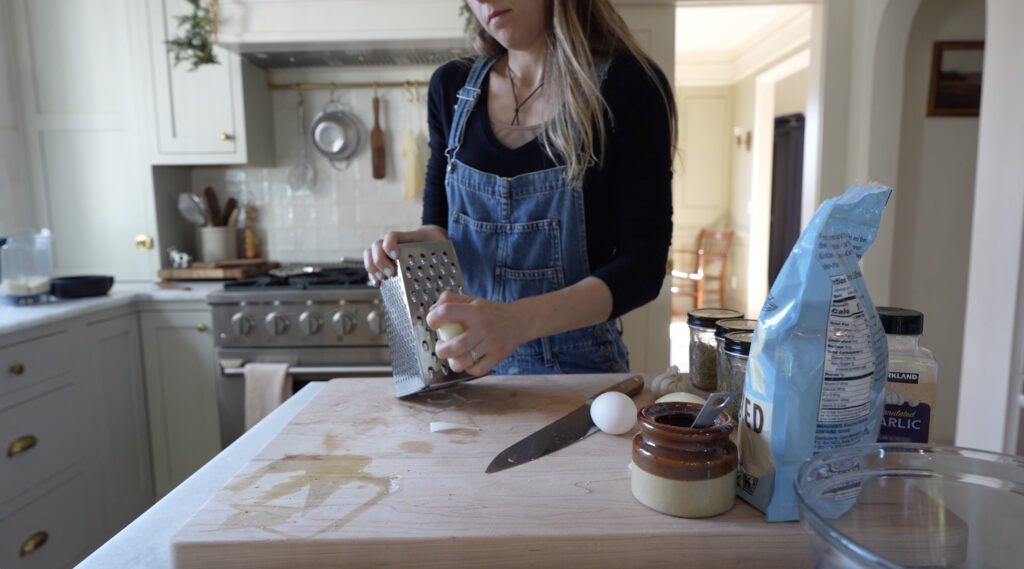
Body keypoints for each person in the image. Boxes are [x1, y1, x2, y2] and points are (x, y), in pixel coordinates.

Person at [363, 0, 676, 377]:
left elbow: (643, 268)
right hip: (467, 366)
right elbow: (438, 227)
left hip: (579, 372)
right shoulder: (451, 87)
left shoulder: (629, 86)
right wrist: (415, 245)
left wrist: (514, 322)